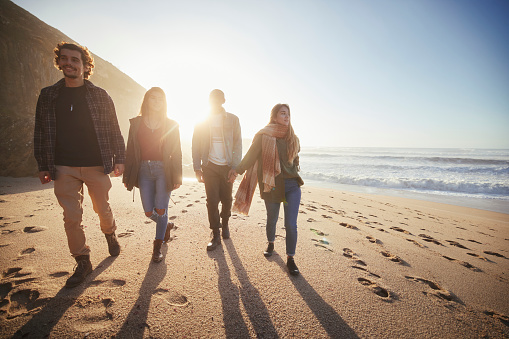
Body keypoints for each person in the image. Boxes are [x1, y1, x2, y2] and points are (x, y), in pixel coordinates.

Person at [33, 42, 125, 288]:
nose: (69, 63)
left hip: (96, 164)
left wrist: (121, 159)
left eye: (75, 60)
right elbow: (40, 133)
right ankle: (83, 260)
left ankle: (110, 233)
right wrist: (43, 164)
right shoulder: (48, 95)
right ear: (59, 62)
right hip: (63, 166)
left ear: (85, 66)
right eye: (65, 59)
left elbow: (114, 129)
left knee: (102, 208)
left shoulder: (100, 95)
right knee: (71, 217)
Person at [232, 104, 303, 276]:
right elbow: (250, 156)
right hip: (272, 185)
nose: (287, 117)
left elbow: (295, 159)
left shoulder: (293, 137)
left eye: (288, 114)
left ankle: (290, 258)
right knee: (272, 219)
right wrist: (237, 171)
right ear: (274, 117)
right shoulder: (264, 136)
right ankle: (271, 243)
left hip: (292, 187)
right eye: (283, 113)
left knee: (291, 224)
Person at [123, 87, 182, 262]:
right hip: (143, 170)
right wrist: (127, 176)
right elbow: (130, 150)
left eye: (160, 99)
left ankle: (157, 246)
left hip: (164, 169)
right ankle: (166, 226)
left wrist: (177, 176)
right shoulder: (136, 123)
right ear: (147, 100)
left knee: (161, 209)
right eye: (153, 98)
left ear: (164, 102)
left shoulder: (171, 124)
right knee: (149, 212)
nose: (156, 102)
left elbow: (177, 152)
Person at [192, 89, 242, 251]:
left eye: (218, 98)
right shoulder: (201, 121)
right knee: (212, 200)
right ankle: (215, 233)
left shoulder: (233, 120)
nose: (215, 101)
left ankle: (225, 224)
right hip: (209, 165)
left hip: (227, 166)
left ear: (223, 100)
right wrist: (197, 168)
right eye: (212, 98)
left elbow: (237, 144)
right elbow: (196, 146)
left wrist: (235, 167)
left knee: (227, 199)